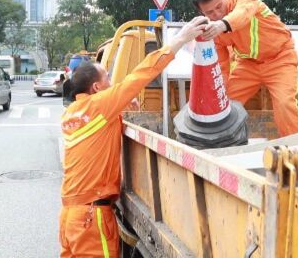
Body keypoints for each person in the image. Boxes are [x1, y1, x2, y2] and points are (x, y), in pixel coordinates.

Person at [58, 17, 207, 258]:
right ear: (96, 88)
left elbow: (96, 131)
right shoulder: (100, 106)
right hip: (91, 218)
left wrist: (122, 104)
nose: (111, 81)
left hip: (70, 216)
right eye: (107, 77)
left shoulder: (72, 113)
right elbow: (142, 73)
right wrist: (180, 39)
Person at [192, 0, 298, 138]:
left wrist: (222, 25)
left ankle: (297, 148)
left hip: (280, 59)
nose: (217, 14)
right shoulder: (213, 31)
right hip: (247, 65)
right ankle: (221, 143)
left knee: (285, 104)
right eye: (209, 12)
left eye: (219, 6)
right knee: (224, 103)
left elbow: (243, 14)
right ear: (202, 12)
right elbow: (222, 66)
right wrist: (221, 88)